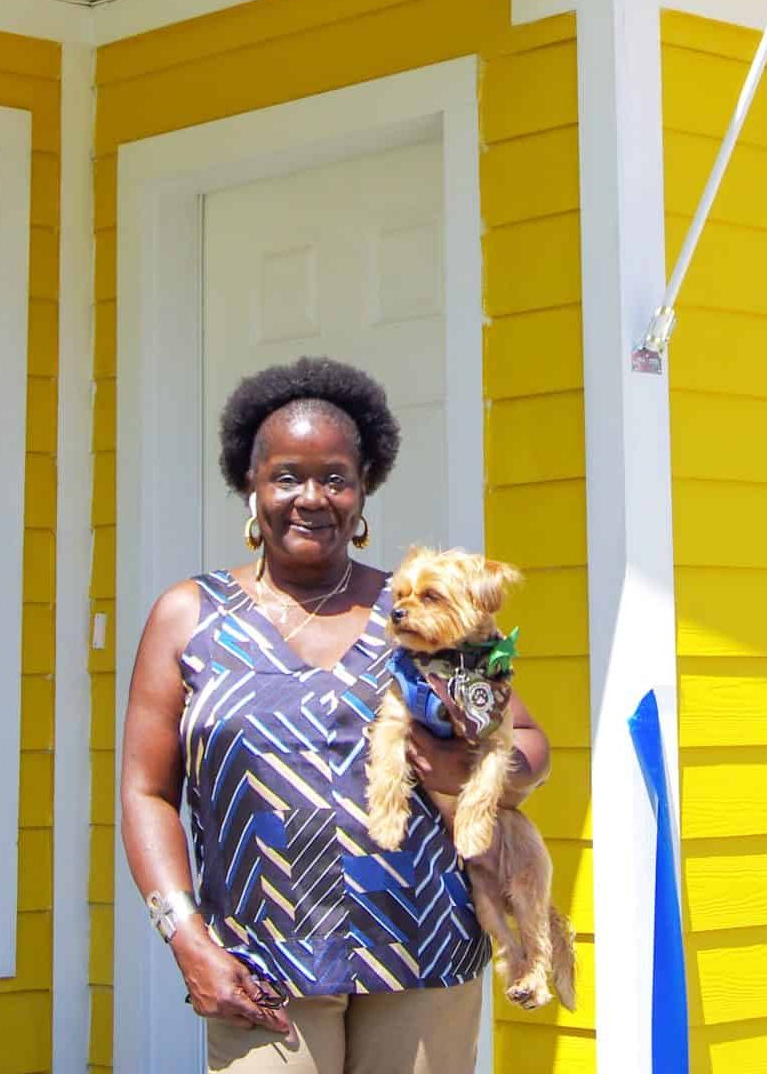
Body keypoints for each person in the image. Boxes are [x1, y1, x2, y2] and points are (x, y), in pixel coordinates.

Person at [122, 357, 552, 1074]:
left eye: (335, 478)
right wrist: (184, 934)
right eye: (286, 476)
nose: (311, 498)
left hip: (426, 951)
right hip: (260, 963)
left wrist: (471, 767)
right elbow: (145, 792)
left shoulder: (418, 609)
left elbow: (529, 743)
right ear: (250, 488)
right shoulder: (188, 617)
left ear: (362, 492)